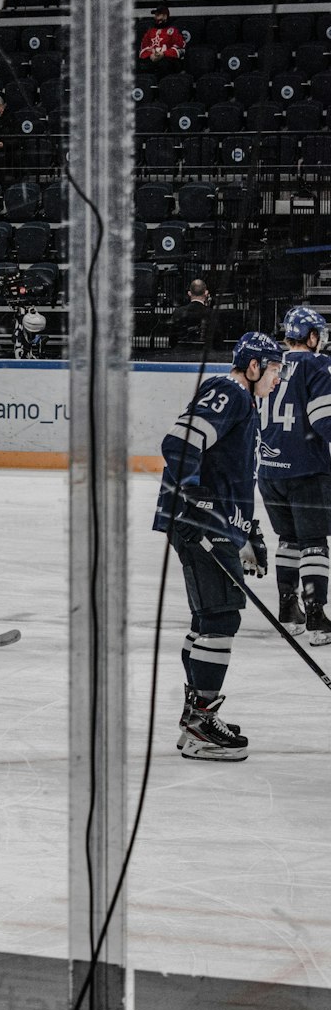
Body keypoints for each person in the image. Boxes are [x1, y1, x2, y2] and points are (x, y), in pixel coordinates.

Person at [153, 330, 284, 760]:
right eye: (274, 370)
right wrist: (190, 506)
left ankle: (196, 714)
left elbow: (231, 477)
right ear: (253, 367)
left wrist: (247, 533)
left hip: (210, 522)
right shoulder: (229, 392)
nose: (277, 379)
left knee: (209, 615)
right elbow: (179, 442)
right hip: (200, 522)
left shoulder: (243, 402)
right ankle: (200, 725)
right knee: (221, 617)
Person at [258, 305, 331, 646]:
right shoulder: (317, 364)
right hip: (306, 469)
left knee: (288, 539)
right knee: (314, 543)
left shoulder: (269, 363)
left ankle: (289, 612)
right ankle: (317, 618)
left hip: (270, 471)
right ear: (311, 336)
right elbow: (322, 419)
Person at [138, 3, 186, 77]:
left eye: (158, 15)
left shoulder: (173, 31)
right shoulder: (150, 31)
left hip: (167, 61)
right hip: (152, 59)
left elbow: (181, 49)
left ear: (165, 16)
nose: (156, 17)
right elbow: (143, 48)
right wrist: (150, 55)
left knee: (164, 65)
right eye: (155, 15)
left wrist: (163, 54)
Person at [169, 278, 212, 349]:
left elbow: (172, 339)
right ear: (206, 293)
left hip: (181, 354)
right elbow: (217, 340)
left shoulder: (178, 312)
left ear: (189, 293)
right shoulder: (211, 313)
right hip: (204, 354)